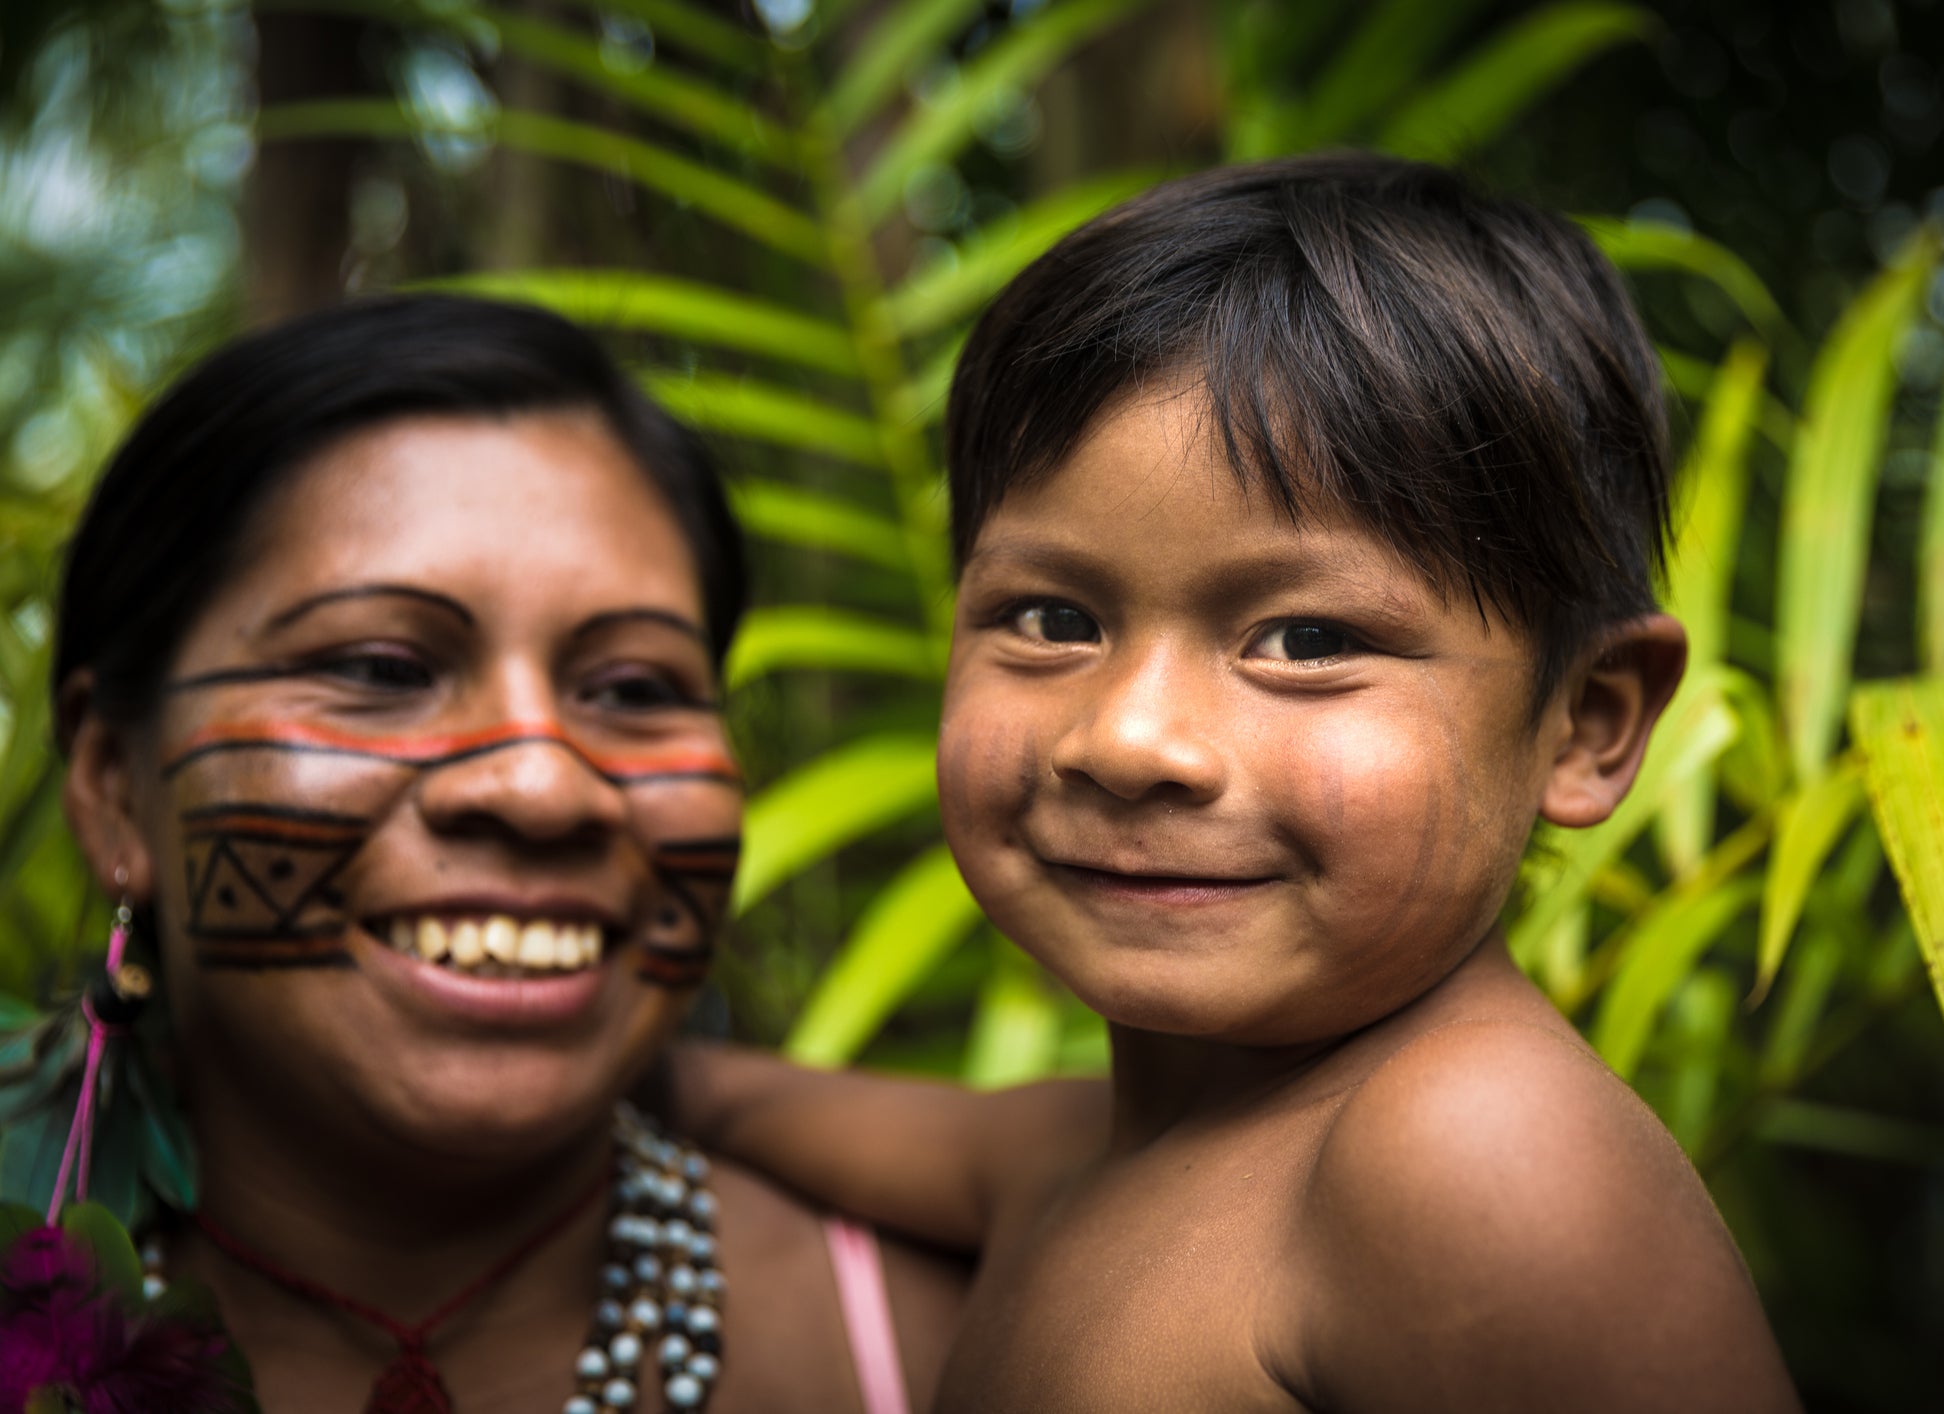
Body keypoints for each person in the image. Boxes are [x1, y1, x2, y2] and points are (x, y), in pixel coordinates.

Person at [667, 155, 1804, 1411]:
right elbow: (748, 1099)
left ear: (1587, 725)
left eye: (1307, 642)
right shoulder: (1073, 1152)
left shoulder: (1470, 1151)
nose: (1129, 738)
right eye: (1051, 617)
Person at [44, 295, 960, 1412]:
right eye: (383, 667)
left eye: (633, 688)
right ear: (112, 789)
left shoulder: (949, 1348)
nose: (539, 785)